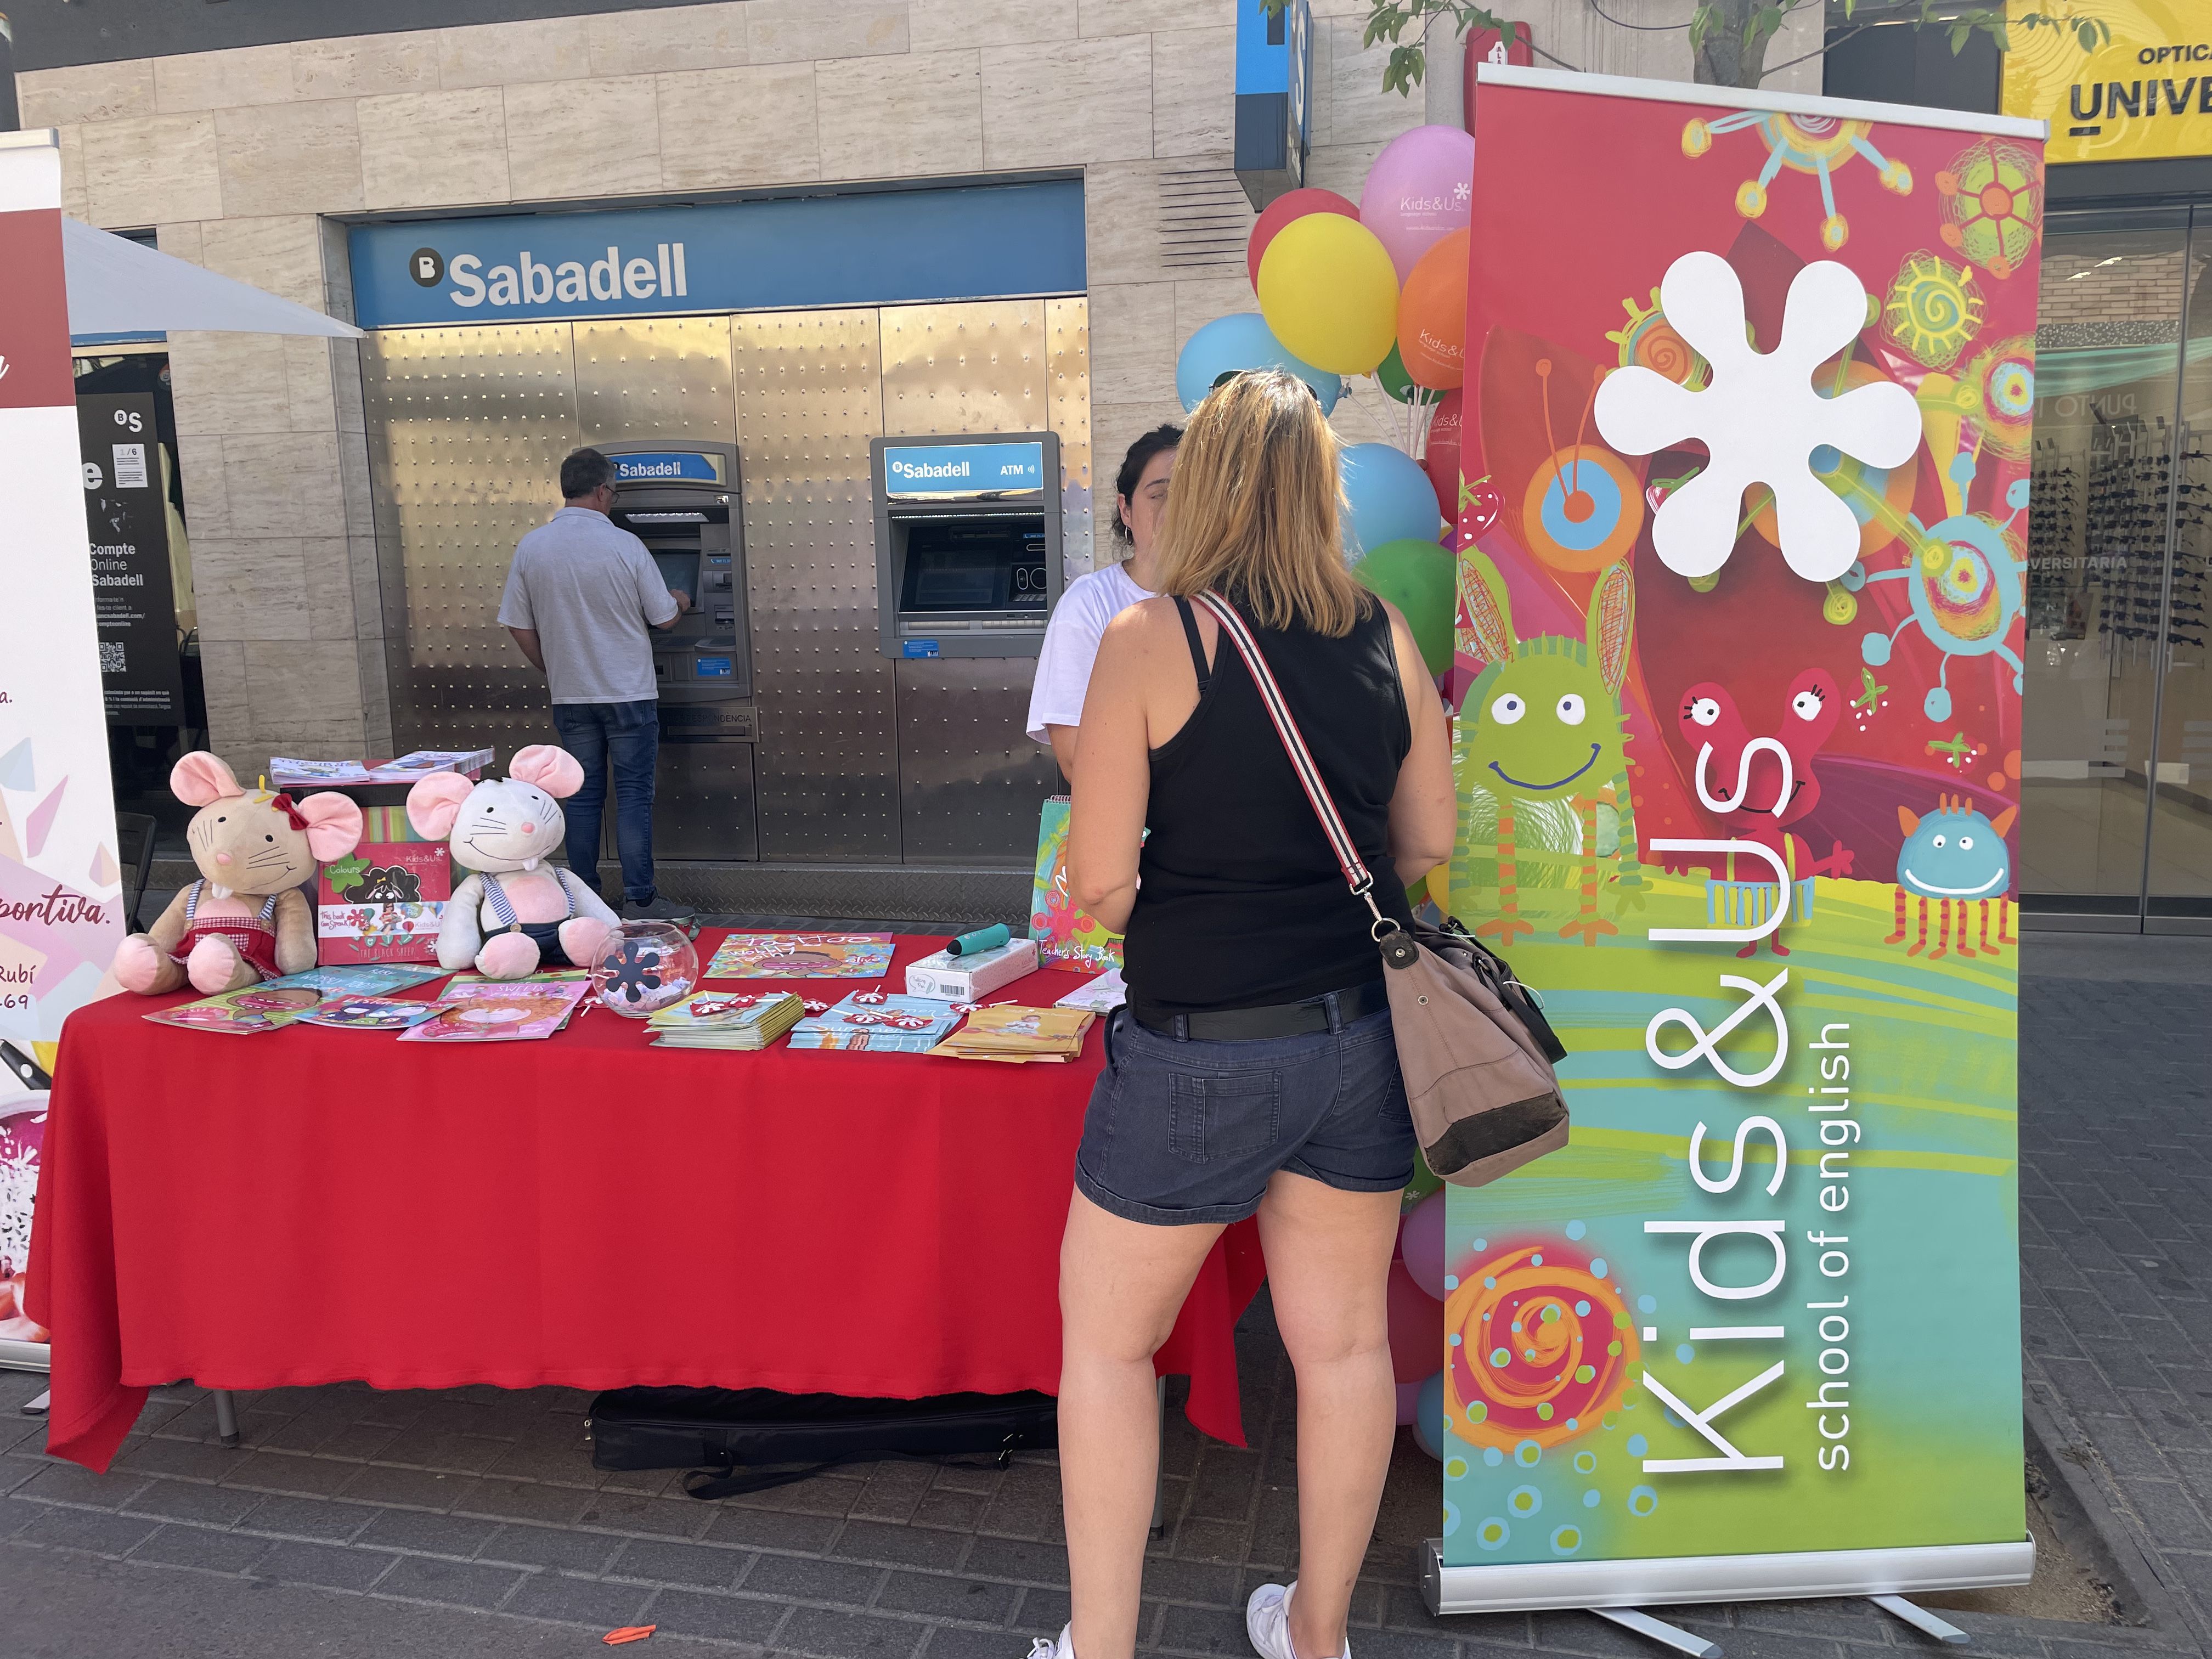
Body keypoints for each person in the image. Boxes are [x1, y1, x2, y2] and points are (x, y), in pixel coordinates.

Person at [1046, 372, 1455, 1659]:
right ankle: (1317, 1636)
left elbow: (1101, 885)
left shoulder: (1151, 640)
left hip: (1198, 1050)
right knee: (1339, 1353)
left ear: (1208, 488)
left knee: (1110, 1352)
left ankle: (1102, 1651)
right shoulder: (1384, 632)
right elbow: (1430, 839)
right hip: (1359, 1041)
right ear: (1320, 490)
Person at [499, 447, 695, 923]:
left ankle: (583, 899)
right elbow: (664, 617)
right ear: (604, 490)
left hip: (572, 697)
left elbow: (517, 625)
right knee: (632, 795)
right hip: (629, 694)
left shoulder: (532, 546)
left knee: (582, 798)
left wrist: (554, 668)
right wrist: (682, 597)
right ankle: (641, 900)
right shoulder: (625, 545)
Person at [1026, 425, 1181, 775]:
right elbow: (1074, 758)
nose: (1179, 510)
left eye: (1193, 494)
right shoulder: (1089, 604)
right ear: (1126, 509)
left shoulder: (1226, 600)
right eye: (1160, 495)